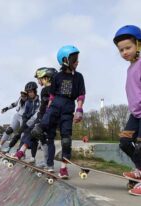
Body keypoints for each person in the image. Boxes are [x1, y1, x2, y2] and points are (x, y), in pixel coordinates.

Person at [36, 45, 86, 179]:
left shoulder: (79, 77)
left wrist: (79, 109)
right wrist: (47, 112)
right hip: (55, 106)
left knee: (66, 140)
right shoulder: (57, 77)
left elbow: (81, 95)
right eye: (74, 59)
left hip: (68, 109)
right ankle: (46, 162)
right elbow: (51, 96)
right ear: (65, 60)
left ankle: (63, 169)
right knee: (43, 133)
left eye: (77, 59)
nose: (77, 62)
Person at [113, 25, 141, 196]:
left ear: (138, 45)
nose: (124, 52)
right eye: (121, 50)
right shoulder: (130, 68)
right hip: (135, 113)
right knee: (124, 143)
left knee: (140, 146)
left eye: (128, 48)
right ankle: (140, 169)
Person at [14, 67, 58, 172]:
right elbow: (44, 106)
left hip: (47, 117)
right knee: (45, 140)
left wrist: (39, 119)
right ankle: (48, 163)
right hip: (51, 117)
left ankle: (21, 152)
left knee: (33, 132)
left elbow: (45, 107)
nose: (38, 81)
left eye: (39, 78)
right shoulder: (51, 90)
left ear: (46, 78)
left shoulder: (48, 90)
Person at [10, 81, 40, 159]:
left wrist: (27, 124)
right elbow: (25, 113)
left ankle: (32, 157)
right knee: (23, 137)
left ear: (35, 91)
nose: (29, 94)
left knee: (34, 139)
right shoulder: (28, 102)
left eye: (31, 92)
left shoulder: (39, 102)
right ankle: (20, 153)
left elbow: (37, 115)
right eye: (28, 92)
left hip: (36, 122)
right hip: (28, 122)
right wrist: (24, 120)